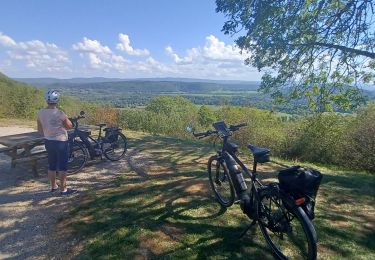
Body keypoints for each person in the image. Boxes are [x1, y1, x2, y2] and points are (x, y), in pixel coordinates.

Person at [37, 89, 77, 195]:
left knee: (52, 165)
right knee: (62, 166)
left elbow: (40, 130)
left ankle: (53, 186)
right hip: (61, 142)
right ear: (57, 101)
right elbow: (69, 126)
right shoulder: (60, 113)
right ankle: (63, 190)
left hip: (48, 142)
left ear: (46, 100)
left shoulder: (40, 113)